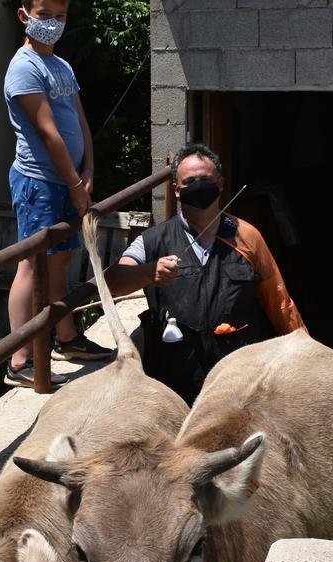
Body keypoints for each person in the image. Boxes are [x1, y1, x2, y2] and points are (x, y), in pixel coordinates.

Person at [103, 143, 305, 402]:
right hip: (174, 389)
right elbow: (113, 282)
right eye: (190, 181)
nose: (199, 186)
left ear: (220, 184)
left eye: (206, 180)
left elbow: (280, 303)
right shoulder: (152, 241)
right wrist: (148, 272)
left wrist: (303, 352)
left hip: (240, 383)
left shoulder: (248, 236)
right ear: (176, 190)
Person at [2, 0, 113, 389]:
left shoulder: (62, 66)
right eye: (45, 14)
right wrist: (73, 183)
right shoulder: (24, 67)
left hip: (69, 181)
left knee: (60, 263)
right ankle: (19, 361)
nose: (53, 23)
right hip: (41, 182)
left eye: (61, 16)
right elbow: (48, 131)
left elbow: (80, 121)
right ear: (25, 16)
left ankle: (67, 339)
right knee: (31, 267)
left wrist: (89, 172)